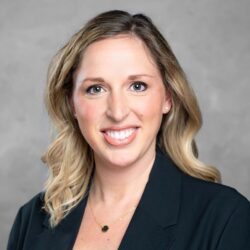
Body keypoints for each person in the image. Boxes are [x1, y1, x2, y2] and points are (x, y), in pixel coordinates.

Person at [7, 10, 250, 250]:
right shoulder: (32, 221)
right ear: (72, 103)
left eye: (137, 86)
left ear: (168, 97)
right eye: (96, 89)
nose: (117, 111)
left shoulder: (225, 218)